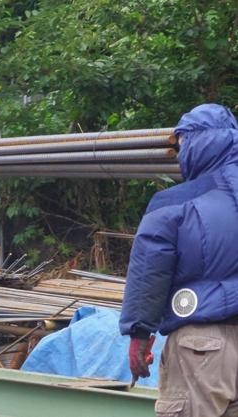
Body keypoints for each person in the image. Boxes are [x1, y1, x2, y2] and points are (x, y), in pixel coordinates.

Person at [120, 104, 238, 416]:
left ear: (196, 143)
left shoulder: (175, 203)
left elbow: (149, 272)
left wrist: (138, 335)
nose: (178, 150)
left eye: (180, 142)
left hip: (202, 346)